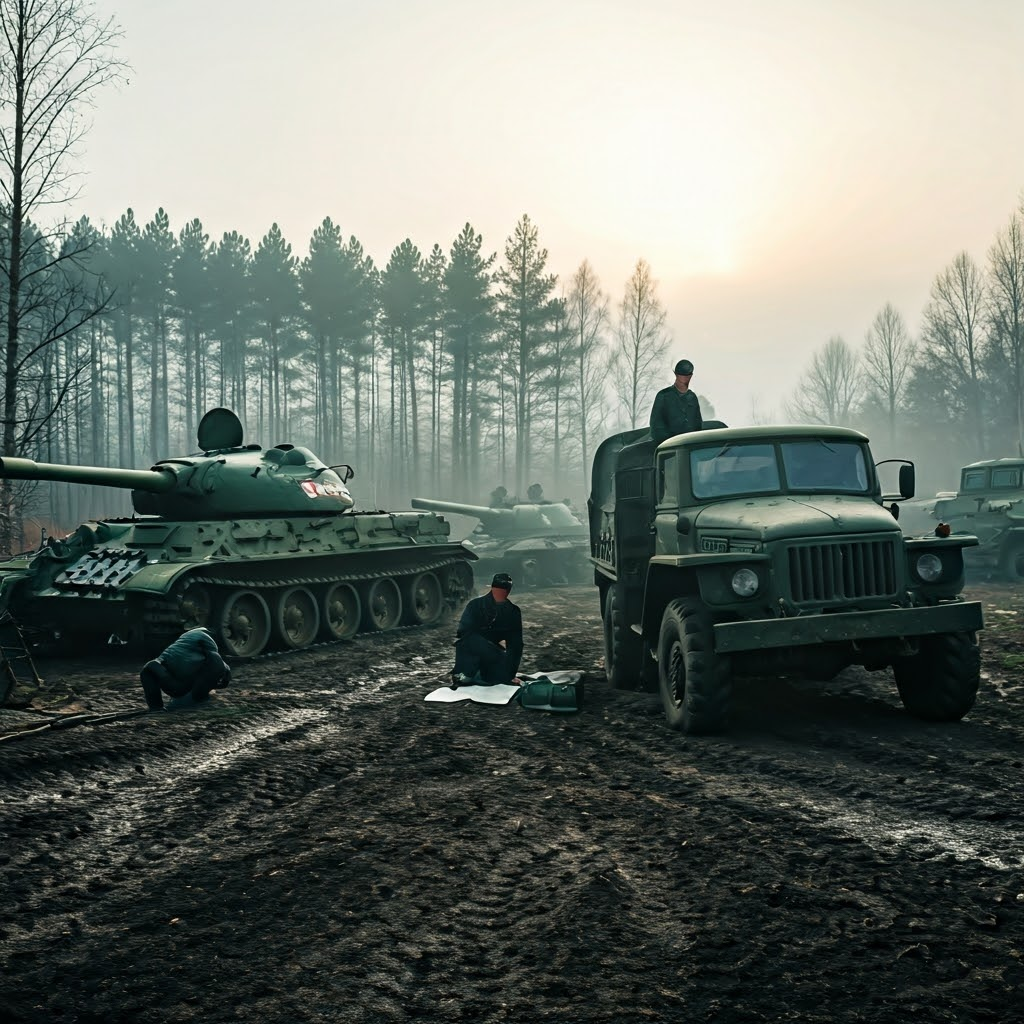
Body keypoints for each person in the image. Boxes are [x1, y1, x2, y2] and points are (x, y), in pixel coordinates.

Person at [451, 572, 524, 686]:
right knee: (464, 677)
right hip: (471, 651)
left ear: (509, 590)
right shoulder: (475, 605)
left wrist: (510, 674)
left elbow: (515, 644)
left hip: (493, 654)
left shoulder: (513, 611)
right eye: (498, 588)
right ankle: (468, 673)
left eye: (504, 589)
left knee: (497, 678)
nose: (501, 592)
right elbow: (464, 633)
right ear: (492, 588)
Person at [140, 626, 232, 711]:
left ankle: (156, 708)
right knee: (215, 663)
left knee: (149, 668)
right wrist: (226, 671)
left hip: (165, 676)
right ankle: (159, 708)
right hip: (180, 685)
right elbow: (216, 660)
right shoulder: (205, 638)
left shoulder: (187, 638)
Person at [649, 358, 703, 445]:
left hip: (690, 447)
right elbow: (656, 428)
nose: (685, 378)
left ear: (691, 375)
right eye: (682, 375)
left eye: (687, 375)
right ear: (676, 374)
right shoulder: (664, 396)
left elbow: (698, 426)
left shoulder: (692, 398)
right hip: (669, 448)